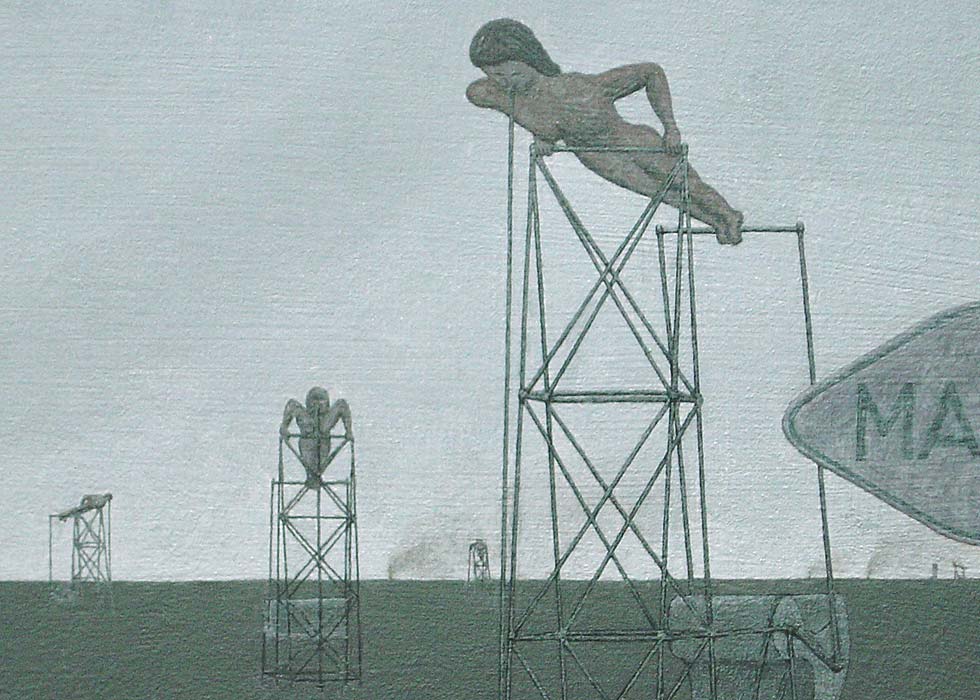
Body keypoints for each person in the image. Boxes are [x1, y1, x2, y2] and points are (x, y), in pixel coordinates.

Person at [466, 18, 743, 244]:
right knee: (664, 195)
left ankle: (728, 216)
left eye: (513, 74)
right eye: (498, 76)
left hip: (631, 140)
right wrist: (542, 136)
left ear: (530, 60)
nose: (507, 82)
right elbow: (476, 93)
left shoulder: (578, 88)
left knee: (686, 184)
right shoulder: (510, 100)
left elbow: (651, 72)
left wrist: (671, 128)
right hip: (595, 156)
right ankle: (718, 223)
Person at [279, 387, 353, 486]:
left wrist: (348, 431)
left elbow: (342, 406)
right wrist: (284, 427)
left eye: (320, 401)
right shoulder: (305, 418)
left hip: (322, 441)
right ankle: (311, 475)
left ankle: (314, 475)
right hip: (308, 441)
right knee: (309, 426)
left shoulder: (326, 420)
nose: (317, 405)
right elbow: (291, 405)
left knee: (324, 425)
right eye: (314, 401)